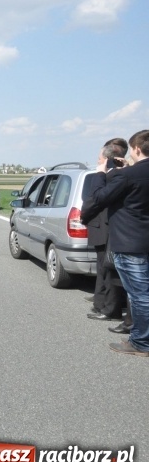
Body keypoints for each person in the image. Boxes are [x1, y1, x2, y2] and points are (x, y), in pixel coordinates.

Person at [80, 129, 149, 357]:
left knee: (139, 295)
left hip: (131, 242)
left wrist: (101, 172)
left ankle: (141, 342)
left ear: (136, 149)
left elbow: (98, 198)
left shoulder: (128, 175)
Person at [82, 139, 130, 324]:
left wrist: (84, 216)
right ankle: (101, 303)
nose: (98, 162)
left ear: (107, 160)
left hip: (106, 229)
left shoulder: (114, 177)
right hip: (102, 228)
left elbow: (95, 200)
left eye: (99, 159)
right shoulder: (119, 175)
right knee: (104, 269)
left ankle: (110, 309)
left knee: (109, 271)